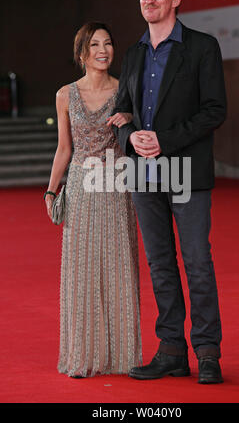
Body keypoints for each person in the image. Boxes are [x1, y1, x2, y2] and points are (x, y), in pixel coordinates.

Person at [112, 0, 227, 384]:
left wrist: (164, 140)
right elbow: (121, 110)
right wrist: (130, 137)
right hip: (144, 174)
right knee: (160, 264)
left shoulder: (201, 47)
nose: (149, 0)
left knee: (196, 261)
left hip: (186, 171)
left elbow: (214, 109)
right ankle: (172, 351)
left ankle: (208, 352)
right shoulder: (134, 54)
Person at [44, 22, 142, 377]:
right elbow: (64, 148)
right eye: (95, 45)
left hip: (118, 185)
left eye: (108, 44)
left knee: (119, 266)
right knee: (82, 269)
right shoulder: (65, 94)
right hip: (83, 186)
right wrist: (52, 189)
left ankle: (122, 356)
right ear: (82, 53)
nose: (104, 50)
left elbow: (137, 135)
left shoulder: (125, 90)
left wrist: (130, 118)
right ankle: (82, 358)